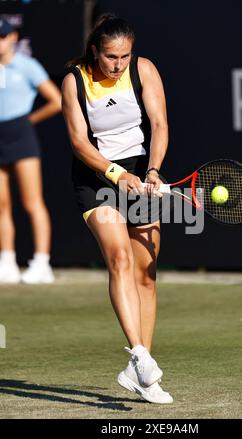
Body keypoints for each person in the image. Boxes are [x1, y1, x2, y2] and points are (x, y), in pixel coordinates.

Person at [61, 13, 173, 404]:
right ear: (95, 50)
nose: (118, 64)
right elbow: (78, 142)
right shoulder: (75, 80)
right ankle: (139, 355)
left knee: (146, 273)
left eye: (124, 56)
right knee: (120, 259)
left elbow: (159, 125)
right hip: (96, 179)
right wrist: (114, 173)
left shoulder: (144, 70)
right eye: (111, 57)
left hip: (142, 172)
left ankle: (141, 376)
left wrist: (154, 170)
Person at [0, 18, 61, 284]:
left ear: (13, 37)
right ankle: (7, 261)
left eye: (2, 36)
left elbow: (56, 100)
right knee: (1, 204)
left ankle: (41, 262)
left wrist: (29, 121)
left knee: (32, 201)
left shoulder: (27, 66)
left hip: (21, 136)